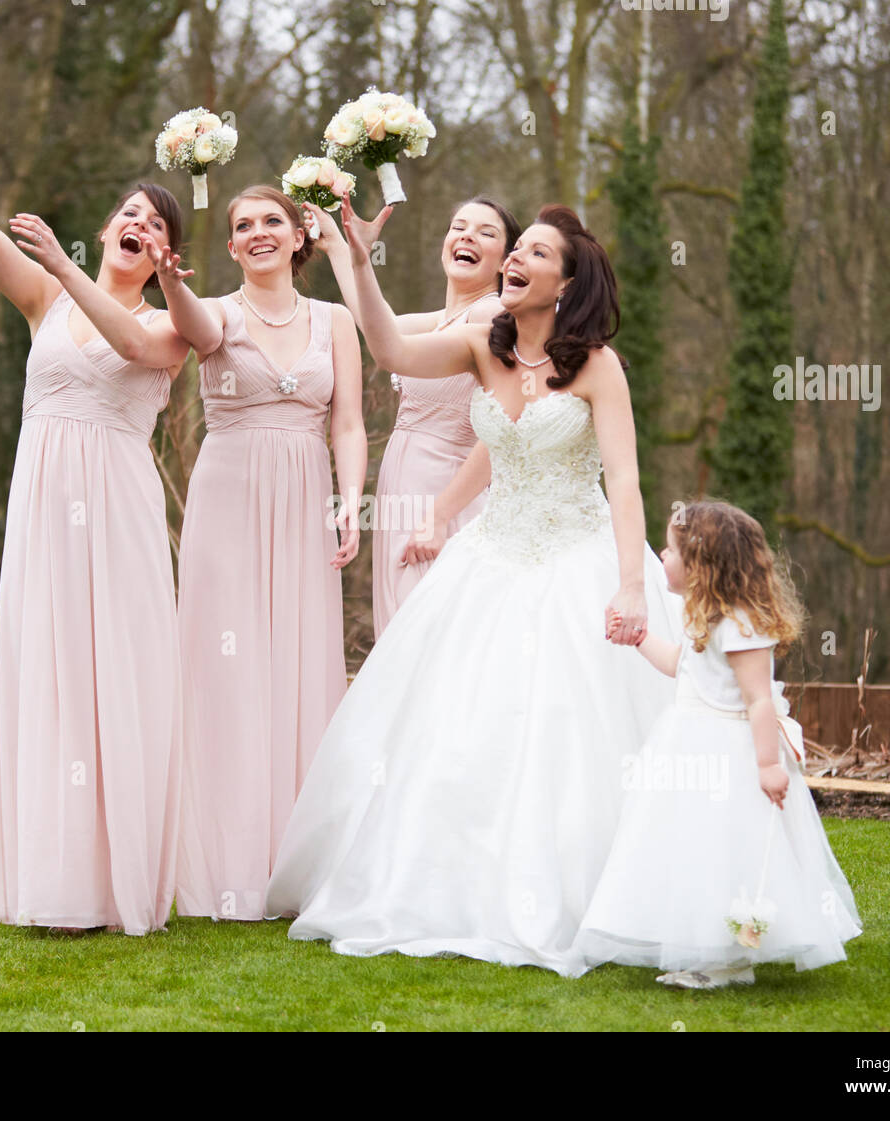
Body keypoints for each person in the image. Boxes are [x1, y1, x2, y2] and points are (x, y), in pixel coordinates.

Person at [264, 198, 681, 976]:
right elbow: (390, 350)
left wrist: (630, 585)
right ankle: (441, 884)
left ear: (565, 282)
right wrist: (358, 257)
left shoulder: (597, 365)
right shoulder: (481, 347)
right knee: (452, 725)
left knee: (568, 726)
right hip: (489, 557)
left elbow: (623, 480)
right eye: (515, 248)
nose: (516, 258)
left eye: (536, 253)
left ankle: (589, 894)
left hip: (577, 555)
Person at [0, 92, 192, 934]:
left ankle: (116, 883)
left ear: (165, 251)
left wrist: (69, 269)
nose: (138, 224)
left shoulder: (171, 321)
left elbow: (135, 351)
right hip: (43, 501)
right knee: (52, 671)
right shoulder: (45, 301)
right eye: (128, 214)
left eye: (156, 223)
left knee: (117, 675)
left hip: (118, 509)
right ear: (109, 230)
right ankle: (54, 880)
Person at [155, 185, 366, 920]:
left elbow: (348, 423)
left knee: (301, 663)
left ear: (297, 235)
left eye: (271, 220)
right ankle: (225, 859)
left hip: (306, 492)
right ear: (234, 246)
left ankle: (297, 857)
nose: (257, 232)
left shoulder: (336, 321)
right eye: (243, 226)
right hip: (229, 497)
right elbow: (193, 331)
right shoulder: (213, 309)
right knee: (228, 666)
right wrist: (170, 283)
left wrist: (350, 500)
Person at [578, 500, 862, 987]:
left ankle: (729, 961)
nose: (662, 558)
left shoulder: (741, 625)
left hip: (727, 752)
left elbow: (757, 701)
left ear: (701, 564)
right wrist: (639, 638)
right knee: (692, 847)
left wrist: (769, 765)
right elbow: (680, 667)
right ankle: (704, 945)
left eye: (670, 551)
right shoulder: (703, 617)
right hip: (688, 744)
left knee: (724, 848)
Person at [307, 196, 521, 636]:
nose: (467, 235)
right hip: (405, 497)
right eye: (459, 225)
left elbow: (506, 429)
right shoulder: (443, 320)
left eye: (486, 232)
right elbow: (376, 328)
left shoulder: (491, 314)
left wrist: (441, 516)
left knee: (431, 638)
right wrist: (345, 251)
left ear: (505, 260)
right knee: (404, 636)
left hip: (447, 502)